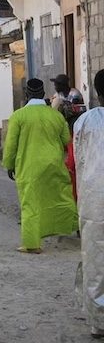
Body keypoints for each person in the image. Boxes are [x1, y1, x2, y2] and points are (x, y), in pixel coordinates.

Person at [2, 78, 78, 254]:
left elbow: (11, 145)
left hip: (29, 167)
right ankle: (70, 226)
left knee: (30, 204)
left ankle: (31, 244)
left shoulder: (18, 116)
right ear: (43, 94)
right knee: (58, 198)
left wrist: (9, 165)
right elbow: (66, 140)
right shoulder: (56, 116)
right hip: (53, 164)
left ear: (27, 94)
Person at [70, 69, 104, 338]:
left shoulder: (84, 122)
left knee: (96, 261)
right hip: (93, 200)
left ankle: (99, 321)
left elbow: (78, 161)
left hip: (94, 200)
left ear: (96, 92)